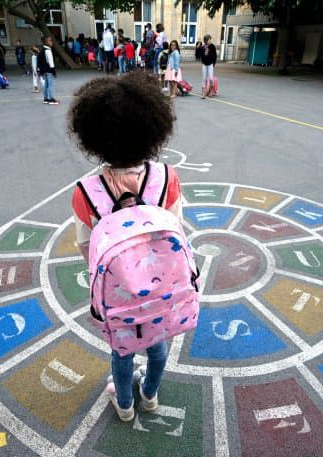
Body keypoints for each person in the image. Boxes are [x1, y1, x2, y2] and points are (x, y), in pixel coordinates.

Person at [68, 73, 186, 421]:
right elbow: (178, 230)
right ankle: (149, 394)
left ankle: (123, 404)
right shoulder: (167, 178)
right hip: (161, 289)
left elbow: (84, 245)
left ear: (92, 137)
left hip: (116, 295)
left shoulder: (85, 191)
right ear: (155, 130)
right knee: (158, 345)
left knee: (121, 352)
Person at [37, 35, 59, 104]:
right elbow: (51, 63)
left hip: (45, 71)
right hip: (49, 70)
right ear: (46, 42)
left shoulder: (42, 50)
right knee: (50, 85)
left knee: (46, 85)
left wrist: (41, 70)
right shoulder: (48, 50)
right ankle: (51, 99)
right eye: (50, 41)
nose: (51, 42)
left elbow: (39, 61)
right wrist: (54, 72)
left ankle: (46, 98)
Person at [200, 34, 217, 99]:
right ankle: (203, 93)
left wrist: (214, 64)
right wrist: (203, 61)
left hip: (210, 64)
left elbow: (215, 56)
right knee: (203, 78)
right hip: (204, 64)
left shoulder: (212, 46)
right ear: (206, 40)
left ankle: (211, 91)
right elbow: (201, 55)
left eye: (210, 39)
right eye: (209, 39)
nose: (210, 41)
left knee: (211, 79)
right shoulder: (202, 47)